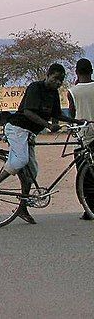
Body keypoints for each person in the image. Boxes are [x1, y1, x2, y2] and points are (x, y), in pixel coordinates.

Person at [0, 63, 82, 224]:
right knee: (21, 160)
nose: (58, 83)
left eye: (61, 80)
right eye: (56, 78)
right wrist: (48, 125)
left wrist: (76, 120)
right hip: (17, 128)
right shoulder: (35, 87)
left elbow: (57, 114)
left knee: (31, 172)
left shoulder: (54, 93)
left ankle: (22, 207)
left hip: (29, 133)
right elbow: (28, 112)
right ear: (48, 75)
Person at [68, 58, 94, 220]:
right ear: (91, 71)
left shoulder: (72, 91)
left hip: (84, 135)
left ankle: (89, 208)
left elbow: (72, 113)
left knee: (85, 176)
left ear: (76, 72)